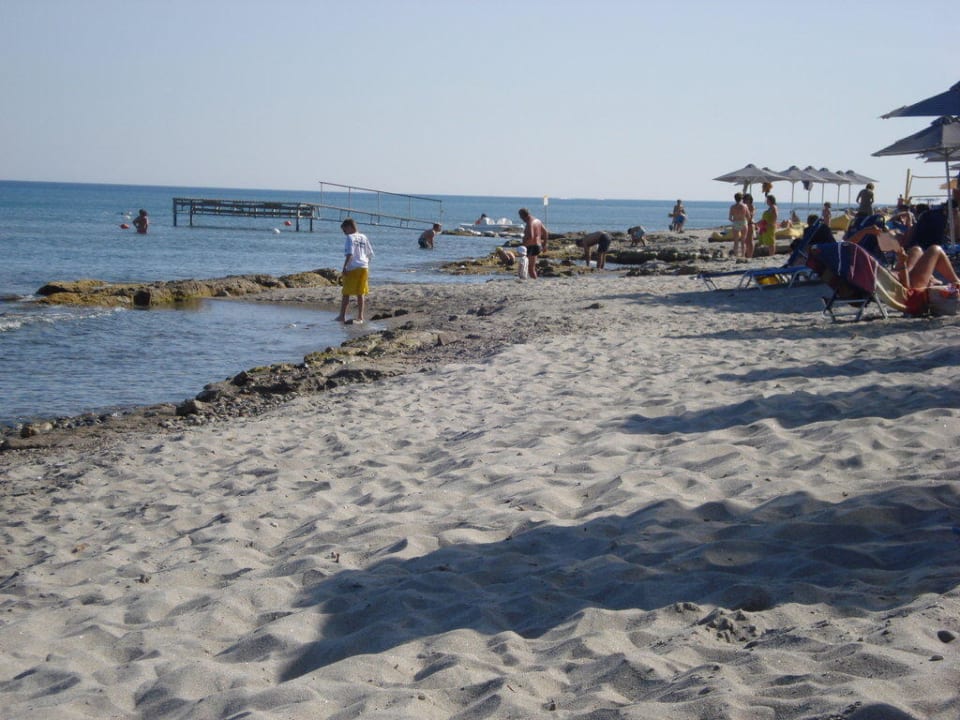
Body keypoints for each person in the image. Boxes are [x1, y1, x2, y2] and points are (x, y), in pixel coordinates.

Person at [894, 242, 960, 315]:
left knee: (916, 250)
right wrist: (902, 263)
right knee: (935, 250)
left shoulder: (879, 267)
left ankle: (931, 278)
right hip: (910, 292)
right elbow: (905, 291)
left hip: (899, 279)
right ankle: (957, 282)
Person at [335, 218, 374, 324]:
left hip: (353, 267)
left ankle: (342, 316)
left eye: (344, 230)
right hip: (364, 267)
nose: (344, 233)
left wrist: (345, 267)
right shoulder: (363, 237)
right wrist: (365, 263)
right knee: (360, 292)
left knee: (346, 292)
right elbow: (370, 254)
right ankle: (360, 317)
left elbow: (350, 254)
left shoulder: (350, 237)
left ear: (349, 227)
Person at [518, 207, 548, 279]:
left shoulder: (530, 223)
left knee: (530, 268)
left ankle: (535, 281)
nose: (520, 218)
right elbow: (546, 232)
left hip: (532, 246)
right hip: (537, 245)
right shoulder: (537, 221)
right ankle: (533, 280)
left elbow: (531, 236)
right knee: (530, 267)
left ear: (522, 215)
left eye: (520, 216)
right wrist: (544, 244)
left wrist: (523, 245)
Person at [728, 193, 749, 257]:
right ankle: (743, 255)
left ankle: (736, 255)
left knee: (736, 241)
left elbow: (730, 218)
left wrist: (734, 221)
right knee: (743, 241)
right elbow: (748, 216)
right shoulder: (745, 206)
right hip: (743, 222)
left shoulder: (732, 207)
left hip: (736, 222)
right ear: (741, 198)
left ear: (735, 198)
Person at [743, 193, 756, 259]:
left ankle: (750, 255)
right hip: (745, 224)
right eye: (745, 199)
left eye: (747, 199)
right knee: (745, 241)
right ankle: (746, 255)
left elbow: (751, 216)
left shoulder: (752, 206)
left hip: (750, 224)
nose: (746, 200)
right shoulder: (744, 206)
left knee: (750, 241)